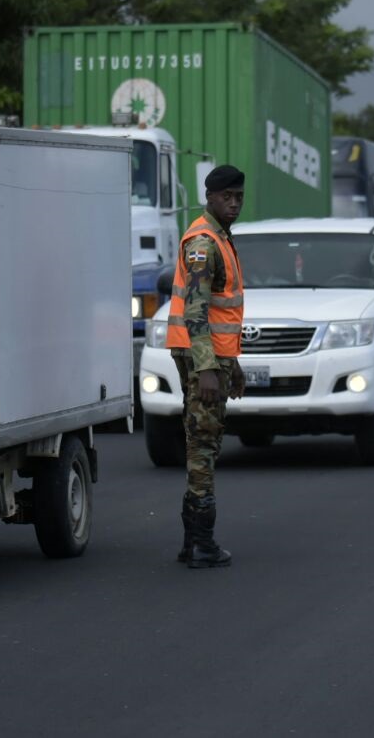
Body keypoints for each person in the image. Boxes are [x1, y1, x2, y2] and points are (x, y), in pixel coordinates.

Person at [165, 165, 247, 569]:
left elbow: (221, 313)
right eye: (226, 196)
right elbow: (196, 312)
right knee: (203, 444)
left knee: (202, 438)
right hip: (201, 357)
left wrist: (233, 365)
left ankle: (191, 542)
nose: (233, 203)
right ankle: (201, 543)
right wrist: (209, 369)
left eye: (239, 197)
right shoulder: (204, 242)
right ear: (210, 197)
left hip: (211, 356)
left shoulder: (219, 237)